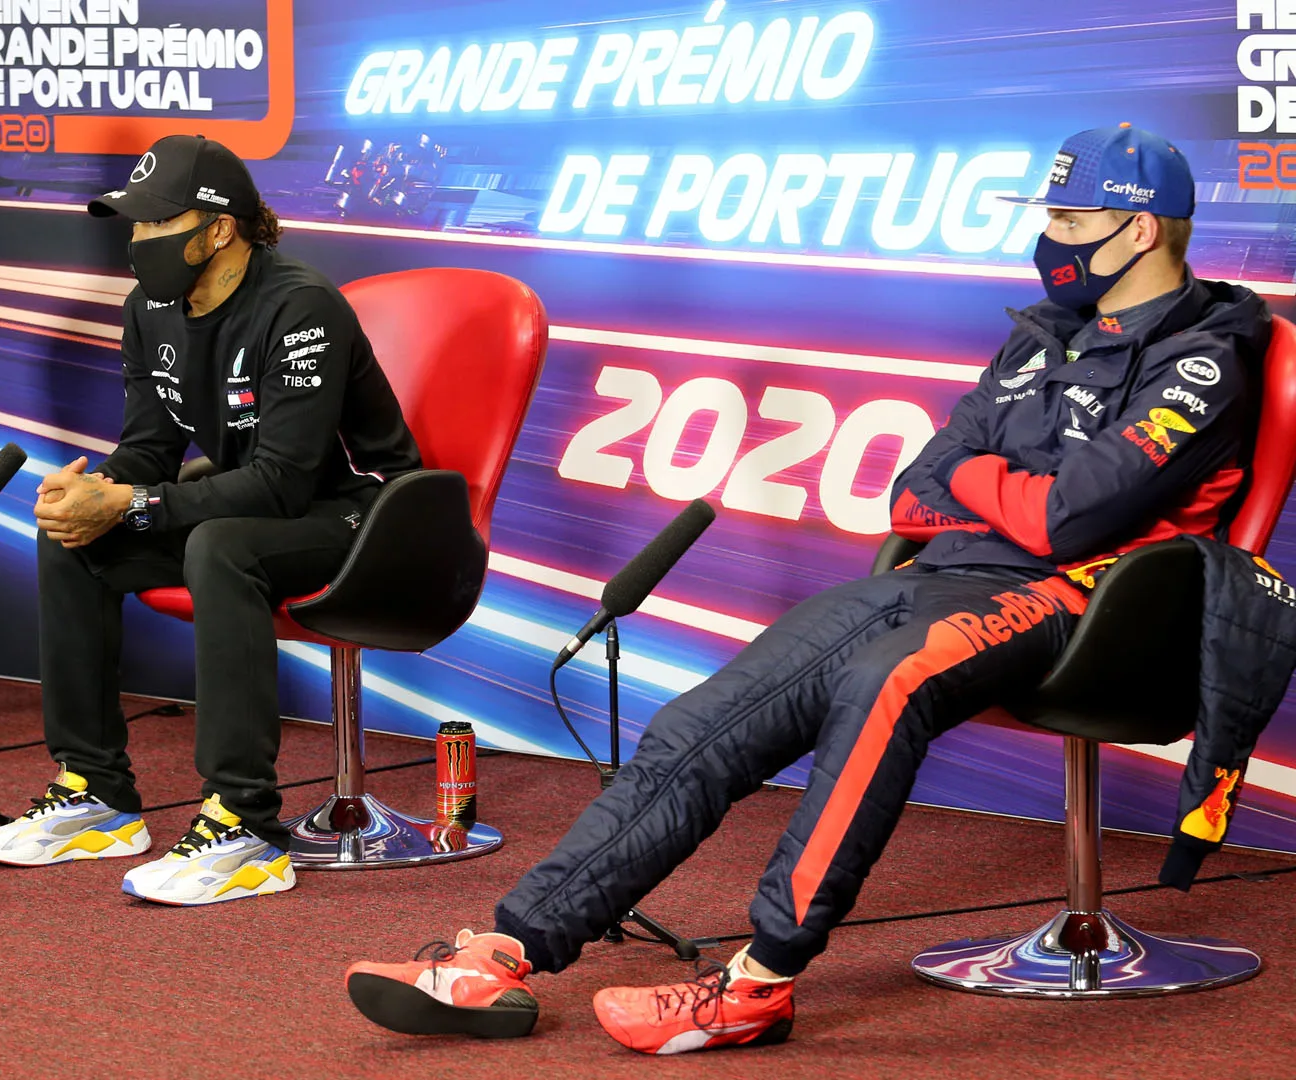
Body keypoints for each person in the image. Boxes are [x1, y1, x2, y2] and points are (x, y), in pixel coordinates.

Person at [344, 124, 1270, 1053]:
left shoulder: (1205, 357)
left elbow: (1073, 522)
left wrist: (990, 488)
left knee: (885, 685)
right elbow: (913, 490)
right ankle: (505, 950)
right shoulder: (1038, 341)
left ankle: (758, 984)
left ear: (1141, 229)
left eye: (1069, 218)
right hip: (945, 579)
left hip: (1087, 601)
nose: (1050, 241)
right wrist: (1005, 499)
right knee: (704, 722)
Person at [0, 134, 422, 905]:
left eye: (154, 225)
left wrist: (137, 502)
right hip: (259, 509)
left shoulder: (299, 304)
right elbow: (149, 448)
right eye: (133, 226)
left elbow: (283, 484)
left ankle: (245, 827)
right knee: (77, 541)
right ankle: (96, 795)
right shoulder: (149, 308)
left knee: (219, 546)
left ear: (220, 229)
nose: (138, 242)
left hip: (369, 516)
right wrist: (97, 492)